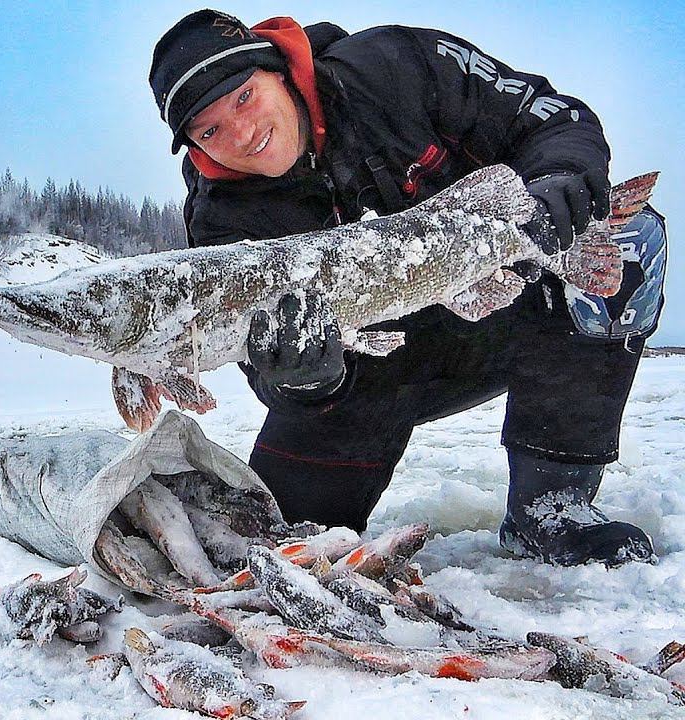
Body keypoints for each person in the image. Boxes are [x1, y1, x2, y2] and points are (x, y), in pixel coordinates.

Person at [148, 10, 667, 566]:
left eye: (244, 98)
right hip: (366, 374)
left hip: (505, 308)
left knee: (631, 240)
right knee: (273, 553)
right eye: (209, 131)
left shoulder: (397, 66)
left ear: (279, 69)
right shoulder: (220, 219)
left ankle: (552, 507)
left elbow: (549, 117)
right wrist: (303, 383)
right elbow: (253, 356)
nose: (241, 134)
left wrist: (558, 176)